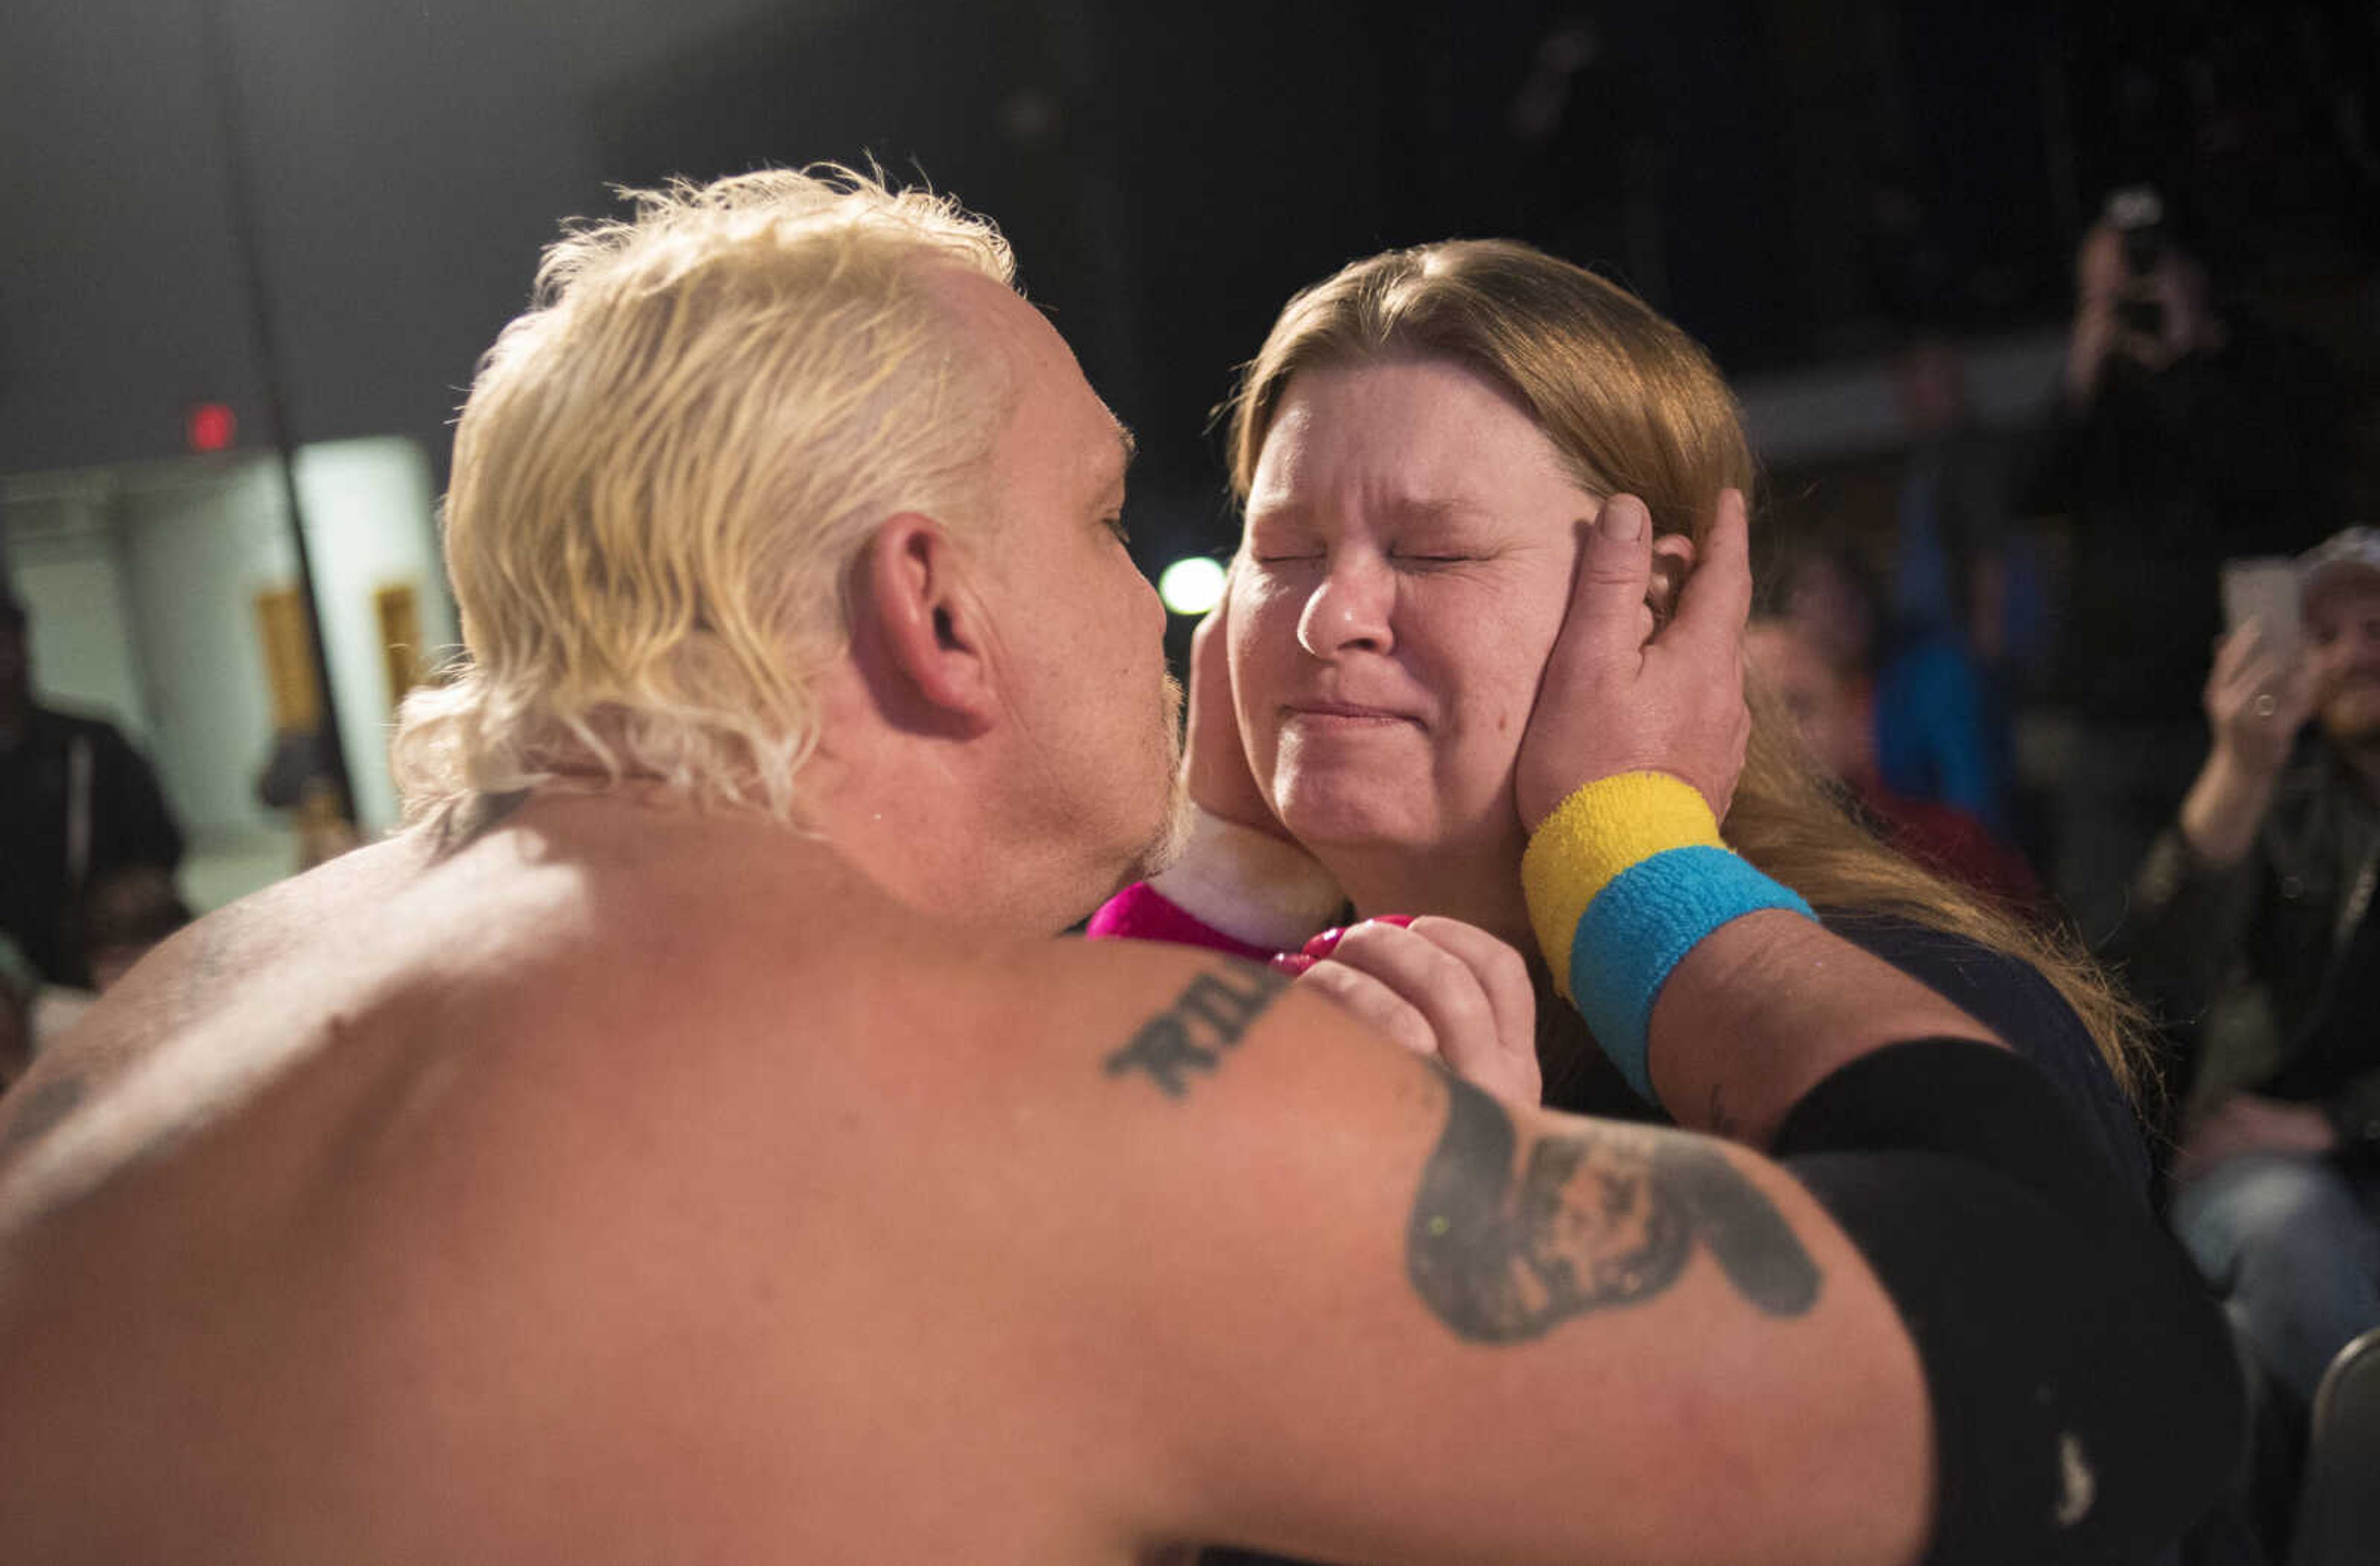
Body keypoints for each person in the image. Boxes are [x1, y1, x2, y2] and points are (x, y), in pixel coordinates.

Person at [0, 170, 2237, 1565]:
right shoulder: (1064, 1086)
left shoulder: (158, 1033)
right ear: (936, 610)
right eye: (1131, 526)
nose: (1259, 615)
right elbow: (2079, 1376)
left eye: (1435, 549)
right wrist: (1629, 867)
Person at [1098, 239, 2143, 1185]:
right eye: (1283, 553)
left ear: (1646, 604)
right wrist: (1213, 882)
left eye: (1434, 550)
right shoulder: (1269, 988)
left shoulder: (1923, 998)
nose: (1331, 615)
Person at [2021, 190, 2347, 943]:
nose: (2125, 302)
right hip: (2112, 724)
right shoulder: (2097, 392)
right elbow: (2027, 490)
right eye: (2105, 290)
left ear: (2192, 273)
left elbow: (2281, 478)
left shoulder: (2259, 367)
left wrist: (2182, 361)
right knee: (2121, 946)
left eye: (2138, 279)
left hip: (2240, 711)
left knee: (2260, 934)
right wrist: (2084, 370)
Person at [2120, 527, 2380, 1413]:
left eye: (2376, 626)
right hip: (2264, 1177)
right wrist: (2241, 763)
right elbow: (2150, 972)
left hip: (2319, 1144)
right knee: (2285, 1229)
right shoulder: (2278, 810)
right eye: (2324, 634)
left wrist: (2335, 1124)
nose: (2351, 652)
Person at [1743, 615, 2041, 910]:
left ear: (1857, 711)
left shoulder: (1952, 850)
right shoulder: (1713, 877)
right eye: (1748, 711)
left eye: (1797, 706)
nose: (1773, 737)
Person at [0, 588, 184, 988]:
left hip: (111, 961)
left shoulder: (91, 745)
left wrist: (129, 904)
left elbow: (161, 845)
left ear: (21, 646)